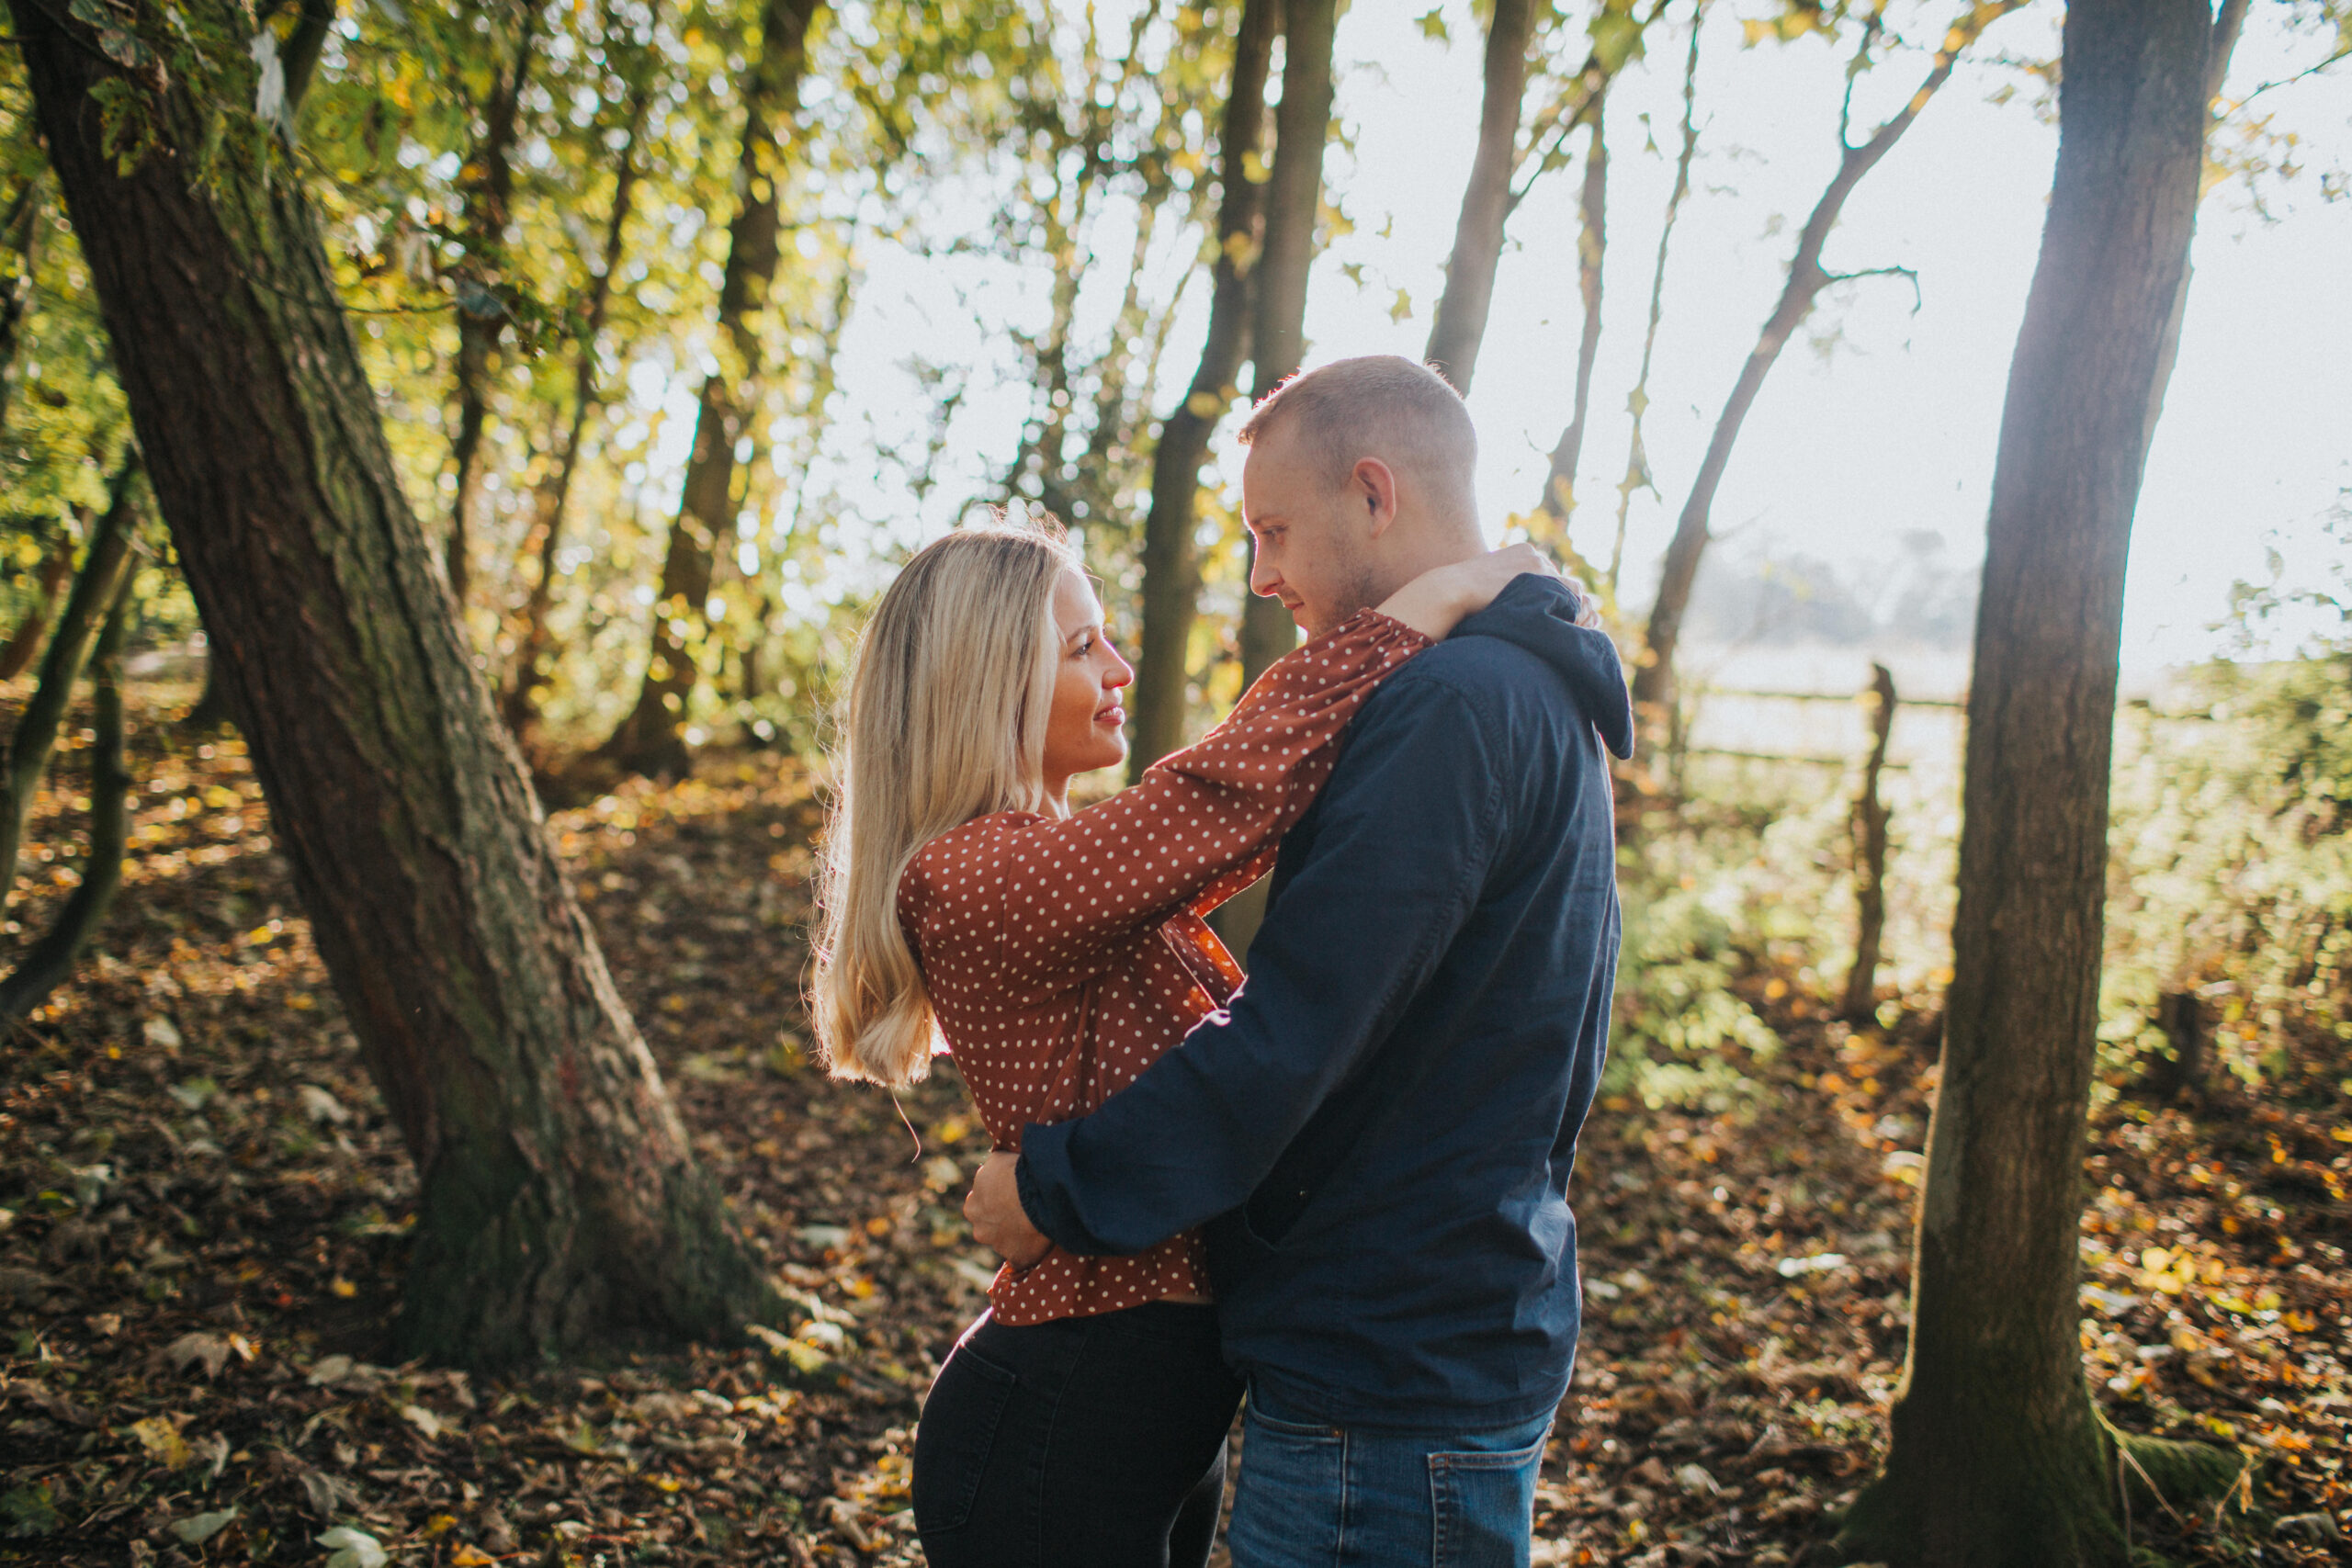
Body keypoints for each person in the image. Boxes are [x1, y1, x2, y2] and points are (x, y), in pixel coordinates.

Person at [963, 355, 1635, 1568]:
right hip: (1442, 1328)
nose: (1263, 575)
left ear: (1375, 493)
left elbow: (1294, 1035)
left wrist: (1056, 1183)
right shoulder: (1533, 691)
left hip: (1380, 1376)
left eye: (1274, 531)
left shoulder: (1454, 706)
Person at [810, 507, 1546, 1568]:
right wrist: (1416, 613)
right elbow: (1221, 796)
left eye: (1105, 635)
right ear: (981, 683)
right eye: (1078, 647)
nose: (1117, 666)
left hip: (1151, 1407)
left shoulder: (1059, 873)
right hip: (1063, 1411)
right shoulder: (972, 875)